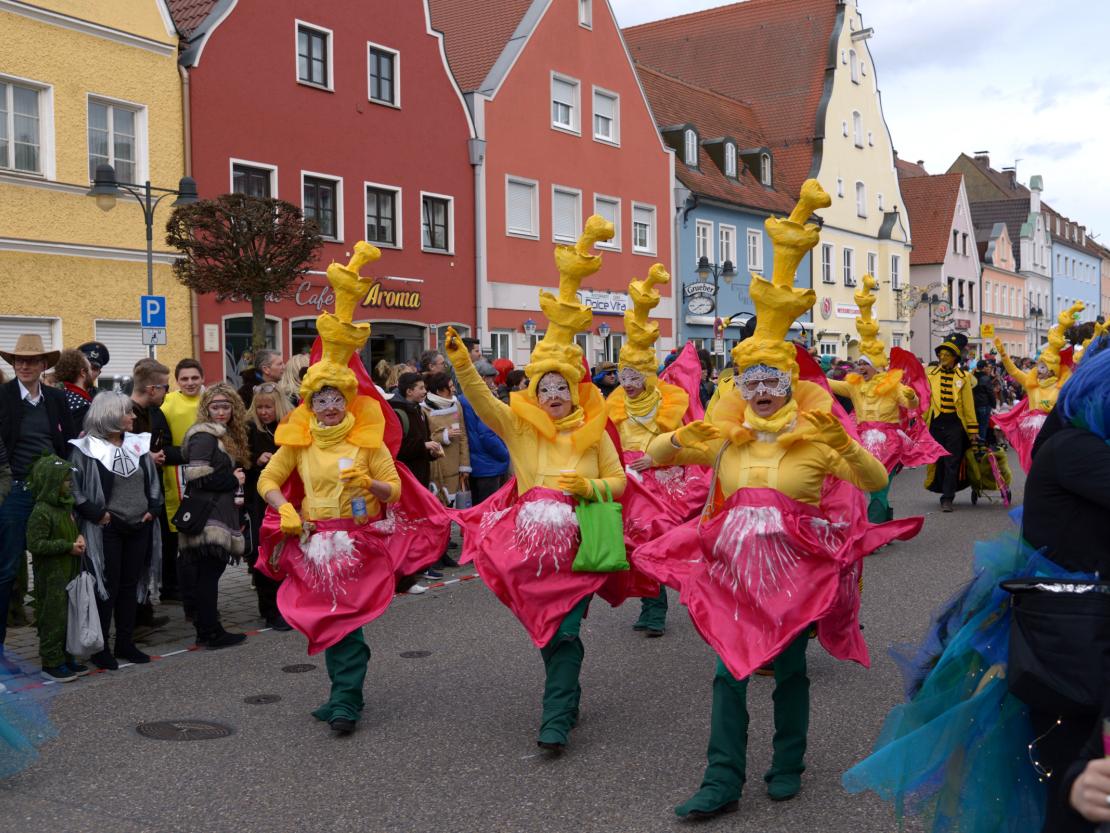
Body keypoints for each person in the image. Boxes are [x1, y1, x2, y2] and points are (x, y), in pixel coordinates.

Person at [635, 180, 916, 817]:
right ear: (740, 384)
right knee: (727, 670)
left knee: (788, 670)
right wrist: (685, 434)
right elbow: (654, 459)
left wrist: (840, 445)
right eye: (751, 380)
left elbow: (873, 483)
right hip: (732, 570)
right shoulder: (725, 438)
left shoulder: (816, 435)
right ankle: (721, 779)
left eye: (772, 380)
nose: (761, 390)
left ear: (789, 384)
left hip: (795, 571)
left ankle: (787, 762)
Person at [843, 340, 1110, 833]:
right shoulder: (1077, 448)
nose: (944, 363)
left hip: (1074, 629)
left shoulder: (1076, 441)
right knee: (1073, 773)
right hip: (1071, 637)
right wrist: (973, 428)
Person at [447, 215, 630, 754]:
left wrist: (589, 489)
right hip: (530, 547)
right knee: (547, 628)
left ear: (576, 390)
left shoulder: (595, 431)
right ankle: (564, 696)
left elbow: (619, 483)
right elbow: (482, 402)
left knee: (568, 628)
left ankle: (555, 717)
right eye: (544, 386)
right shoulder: (519, 424)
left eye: (562, 387)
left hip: (579, 542)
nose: (553, 394)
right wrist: (462, 363)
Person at [255, 241, 450, 736]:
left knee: (348, 618)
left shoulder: (366, 441)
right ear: (309, 402)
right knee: (323, 617)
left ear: (346, 399)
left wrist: (370, 483)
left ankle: (346, 700)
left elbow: (390, 490)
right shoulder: (297, 439)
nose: (327, 407)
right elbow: (268, 479)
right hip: (313, 538)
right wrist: (286, 509)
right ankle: (340, 691)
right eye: (319, 398)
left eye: (334, 398)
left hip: (357, 539)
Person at [605, 265, 705, 638]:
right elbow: (609, 439)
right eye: (623, 377)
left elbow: (686, 440)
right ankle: (650, 603)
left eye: (634, 378)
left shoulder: (670, 401)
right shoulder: (614, 402)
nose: (627, 385)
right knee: (633, 544)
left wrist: (658, 458)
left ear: (648, 377)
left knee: (656, 541)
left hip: (663, 482)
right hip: (629, 481)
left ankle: (659, 606)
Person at [825, 276, 944, 523]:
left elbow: (909, 404)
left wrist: (910, 397)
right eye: (858, 363)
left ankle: (875, 525)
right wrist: (806, 374)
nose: (859, 367)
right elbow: (829, 384)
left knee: (880, 484)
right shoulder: (854, 386)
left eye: (864, 364)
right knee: (856, 483)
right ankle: (878, 521)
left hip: (888, 442)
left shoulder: (892, 385)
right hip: (860, 440)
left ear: (876, 367)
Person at [0, 334, 77, 673]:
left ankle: (57, 650)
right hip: (15, 492)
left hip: (52, 496)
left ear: (44, 364)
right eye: (19, 360)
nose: (24, 365)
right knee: (6, 571)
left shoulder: (57, 399)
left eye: (31, 360)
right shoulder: (1, 397)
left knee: (56, 572)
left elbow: (69, 444)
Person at [69, 392, 161, 669]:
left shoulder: (137, 444)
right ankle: (101, 648)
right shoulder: (85, 448)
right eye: (127, 412)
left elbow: (153, 481)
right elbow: (75, 488)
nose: (133, 417)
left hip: (139, 525)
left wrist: (153, 509)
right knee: (106, 586)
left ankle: (125, 642)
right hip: (106, 528)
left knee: (129, 585)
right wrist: (98, 515)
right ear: (109, 414)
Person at [178, 384, 249, 649]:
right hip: (207, 516)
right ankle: (210, 631)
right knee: (207, 573)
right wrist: (232, 479)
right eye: (215, 407)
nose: (221, 412)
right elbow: (197, 475)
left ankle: (207, 628)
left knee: (207, 573)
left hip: (215, 513)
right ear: (206, 409)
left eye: (226, 406)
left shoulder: (222, 434)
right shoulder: (204, 435)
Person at [992, 301, 1083, 473]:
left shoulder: (1061, 386)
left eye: (1042, 367)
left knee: (1051, 463)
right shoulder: (1032, 384)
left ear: (1052, 370)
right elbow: (1014, 371)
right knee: (1033, 462)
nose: (1038, 370)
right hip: (1032, 430)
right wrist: (1003, 355)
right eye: (1039, 365)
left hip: (1053, 431)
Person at [26, 453, 87, 682]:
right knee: (53, 616)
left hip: (69, 571)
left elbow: (72, 530)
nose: (69, 483)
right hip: (52, 576)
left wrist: (79, 537)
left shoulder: (65, 507)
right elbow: (36, 544)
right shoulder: (41, 511)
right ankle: (51, 661)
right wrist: (66, 546)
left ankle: (66, 654)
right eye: (64, 480)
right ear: (51, 482)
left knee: (69, 615)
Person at [129, 359, 180, 604]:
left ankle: (143, 610)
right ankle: (136, 617)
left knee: (146, 555)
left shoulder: (153, 412)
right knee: (135, 560)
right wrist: (144, 456)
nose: (166, 392)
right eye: (165, 387)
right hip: (132, 501)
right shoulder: (125, 414)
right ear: (152, 389)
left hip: (149, 494)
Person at [244, 382, 292, 630]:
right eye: (260, 407)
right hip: (259, 502)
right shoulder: (250, 428)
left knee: (286, 554)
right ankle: (270, 610)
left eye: (268, 407)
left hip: (287, 498)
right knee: (265, 555)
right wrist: (255, 461)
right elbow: (240, 460)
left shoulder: (288, 427)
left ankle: (286, 605)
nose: (264, 412)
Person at [160, 359, 204, 620]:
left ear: (202, 378)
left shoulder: (211, 399)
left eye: (194, 378)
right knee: (179, 533)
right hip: (176, 474)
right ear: (177, 381)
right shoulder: (168, 404)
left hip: (208, 471)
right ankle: (177, 587)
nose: (190, 383)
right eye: (185, 379)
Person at [390, 372, 444, 582]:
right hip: (406, 478)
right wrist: (423, 446)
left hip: (420, 474)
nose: (424, 391)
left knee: (421, 521)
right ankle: (411, 569)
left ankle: (423, 564)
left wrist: (431, 451)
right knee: (409, 524)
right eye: (420, 388)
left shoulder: (419, 410)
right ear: (409, 391)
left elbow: (424, 440)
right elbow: (397, 447)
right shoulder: (397, 412)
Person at [923, 333, 979, 512]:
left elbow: (969, 406)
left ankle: (947, 498)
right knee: (937, 460)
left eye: (947, 354)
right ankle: (941, 488)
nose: (942, 357)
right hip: (936, 423)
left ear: (955, 357)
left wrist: (973, 430)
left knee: (952, 461)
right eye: (941, 354)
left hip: (955, 424)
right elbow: (921, 397)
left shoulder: (963, 377)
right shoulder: (929, 374)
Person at [460, 360, 510, 505]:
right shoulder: (482, 400)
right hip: (490, 464)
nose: (493, 381)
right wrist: (505, 454)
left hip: (477, 463)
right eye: (490, 378)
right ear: (481, 378)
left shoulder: (464, 398)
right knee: (491, 512)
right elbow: (487, 434)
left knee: (479, 510)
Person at [54, 348, 94, 426]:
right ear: (83, 372)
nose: (92, 372)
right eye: (90, 369)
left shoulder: (61, 396)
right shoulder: (82, 406)